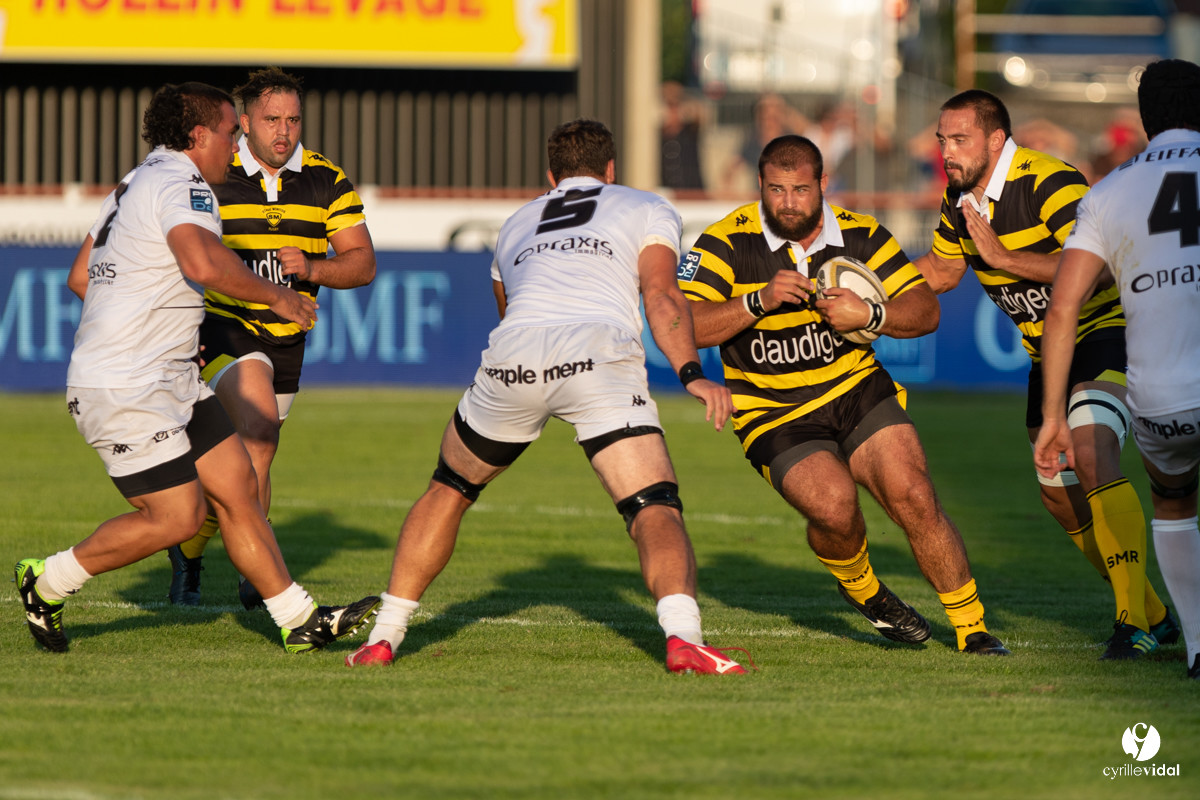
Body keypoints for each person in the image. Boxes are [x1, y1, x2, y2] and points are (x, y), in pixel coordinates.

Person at [345, 119, 751, 675]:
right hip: (597, 355)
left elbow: (508, 312)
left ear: (550, 176)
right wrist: (690, 372)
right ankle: (682, 639)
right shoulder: (644, 206)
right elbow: (661, 294)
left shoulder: (515, 222)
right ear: (611, 171)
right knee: (652, 505)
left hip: (515, 357)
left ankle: (385, 636)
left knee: (449, 488)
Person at [15, 82, 379, 654]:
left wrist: (145, 320)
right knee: (178, 518)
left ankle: (298, 618)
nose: (236, 144)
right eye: (232, 131)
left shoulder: (134, 181)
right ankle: (47, 581)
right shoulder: (184, 184)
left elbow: (80, 278)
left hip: (168, 375)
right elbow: (203, 262)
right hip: (129, 384)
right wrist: (280, 298)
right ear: (198, 135)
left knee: (236, 486)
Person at [680, 134, 1008, 656]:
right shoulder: (726, 241)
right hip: (773, 412)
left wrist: (871, 314)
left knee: (915, 495)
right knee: (835, 508)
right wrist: (755, 302)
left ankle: (973, 630)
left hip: (857, 390)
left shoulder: (862, 235)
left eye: (801, 190)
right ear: (760, 186)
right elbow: (684, 322)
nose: (788, 202)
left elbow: (925, 310)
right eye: (776, 190)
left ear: (823, 185)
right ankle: (864, 589)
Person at [913, 89, 1178, 660]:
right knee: (1058, 493)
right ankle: (1154, 612)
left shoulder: (1052, 182)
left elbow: (1103, 270)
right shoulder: (956, 200)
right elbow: (939, 270)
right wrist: (865, 280)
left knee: (1089, 447)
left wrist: (1006, 258)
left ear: (995, 140)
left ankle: (1132, 622)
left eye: (958, 140)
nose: (947, 152)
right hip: (1048, 351)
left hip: (1110, 331)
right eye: (941, 140)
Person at [165, 67, 376, 609]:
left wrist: (312, 267)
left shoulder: (327, 179)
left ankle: (189, 549)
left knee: (244, 468)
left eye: (293, 119)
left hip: (288, 337)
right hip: (223, 326)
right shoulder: (213, 171)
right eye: (271, 120)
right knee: (258, 437)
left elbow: (363, 264)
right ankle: (263, 578)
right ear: (246, 122)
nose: (283, 131)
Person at [1035, 59, 1200, 679]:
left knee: (1174, 504)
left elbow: (1064, 306)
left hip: (1159, 398)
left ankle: (1196, 648)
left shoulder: (1107, 191)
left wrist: (1054, 416)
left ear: (1144, 118)